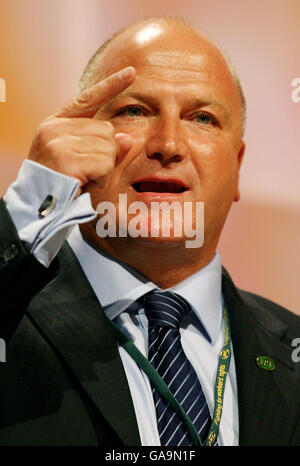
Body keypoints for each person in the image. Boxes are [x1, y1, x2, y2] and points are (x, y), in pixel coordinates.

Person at [0, 16, 299, 447]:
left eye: (202, 118)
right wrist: (32, 202)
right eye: (135, 111)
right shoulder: (13, 320)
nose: (168, 144)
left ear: (238, 166)